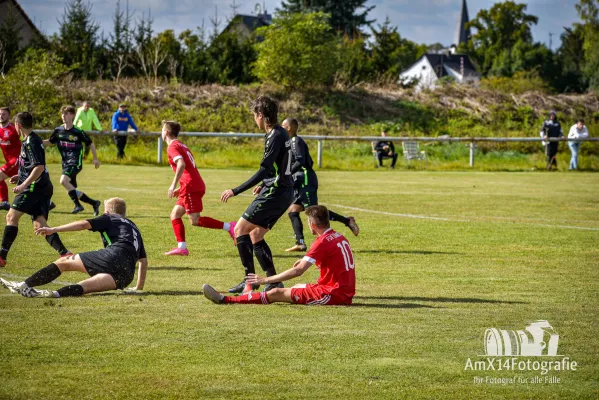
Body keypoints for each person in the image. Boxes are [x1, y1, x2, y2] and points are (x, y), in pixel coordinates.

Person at [203, 205, 356, 306]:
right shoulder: (338, 236)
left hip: (334, 294)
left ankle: (225, 300)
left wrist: (265, 280)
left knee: (276, 292)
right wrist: (303, 259)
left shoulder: (321, 242)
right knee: (297, 287)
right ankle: (240, 297)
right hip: (341, 289)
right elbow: (333, 260)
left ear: (312, 225)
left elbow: (298, 271)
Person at [0, 197, 148, 298]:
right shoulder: (134, 228)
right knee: (84, 287)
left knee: (64, 262)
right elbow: (143, 261)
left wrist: (53, 229)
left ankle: (22, 285)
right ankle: (55, 294)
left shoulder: (110, 217)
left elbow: (84, 224)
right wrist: (138, 288)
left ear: (107, 212)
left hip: (114, 257)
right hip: (126, 274)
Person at [220, 95, 294, 293]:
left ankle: (249, 282)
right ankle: (274, 280)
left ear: (261, 115)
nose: (254, 119)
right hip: (281, 190)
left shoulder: (276, 136)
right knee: (255, 234)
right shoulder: (276, 133)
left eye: (254, 115)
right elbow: (277, 168)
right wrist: (265, 183)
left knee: (240, 230)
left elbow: (264, 168)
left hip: (277, 192)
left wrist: (235, 190)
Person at [0, 112, 72, 267]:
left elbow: (39, 167)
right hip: (42, 187)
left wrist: (23, 184)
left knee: (11, 217)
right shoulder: (31, 139)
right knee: (40, 224)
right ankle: (65, 253)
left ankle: (2, 256)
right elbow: (31, 166)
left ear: (18, 125)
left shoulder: (31, 141)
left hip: (34, 188)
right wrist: (19, 177)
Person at [281, 118, 359, 252]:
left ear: (289, 128)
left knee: (314, 212)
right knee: (293, 211)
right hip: (300, 180)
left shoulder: (296, 141)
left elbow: (300, 161)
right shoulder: (291, 142)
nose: (281, 128)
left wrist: (286, 173)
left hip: (305, 179)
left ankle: (347, 221)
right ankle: (300, 243)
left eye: (283, 126)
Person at [162, 120, 236, 255]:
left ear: (166, 132)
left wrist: (173, 185)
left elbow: (181, 164)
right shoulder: (182, 145)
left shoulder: (172, 147)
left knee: (195, 220)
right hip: (190, 185)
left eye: (162, 129)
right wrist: (181, 186)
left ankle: (230, 227)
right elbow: (189, 169)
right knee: (175, 214)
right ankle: (182, 247)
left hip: (191, 186)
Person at [43, 105, 101, 215]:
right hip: (65, 163)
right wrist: (36, 141)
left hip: (75, 162)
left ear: (72, 115)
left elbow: (90, 143)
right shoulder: (58, 130)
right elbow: (51, 142)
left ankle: (78, 205)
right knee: (72, 188)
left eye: (66, 113)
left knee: (63, 181)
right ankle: (94, 203)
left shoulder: (78, 131)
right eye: (62, 113)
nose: (63, 116)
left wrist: (95, 158)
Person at [0, 107, 21, 211]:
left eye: (4, 114)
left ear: (8, 116)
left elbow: (23, 138)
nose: (1, 116)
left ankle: (4, 202)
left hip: (16, 159)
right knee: (24, 183)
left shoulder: (13, 129)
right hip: (10, 161)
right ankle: (48, 202)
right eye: (0, 114)